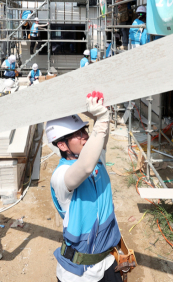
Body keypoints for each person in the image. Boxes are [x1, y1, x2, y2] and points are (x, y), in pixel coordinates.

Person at [48, 92, 122, 282]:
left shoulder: (96, 160)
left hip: (107, 261)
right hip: (78, 274)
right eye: (78, 134)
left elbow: (99, 142)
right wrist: (102, 119)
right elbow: (84, 167)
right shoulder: (61, 177)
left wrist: (96, 112)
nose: (85, 137)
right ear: (63, 145)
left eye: (85, 130)